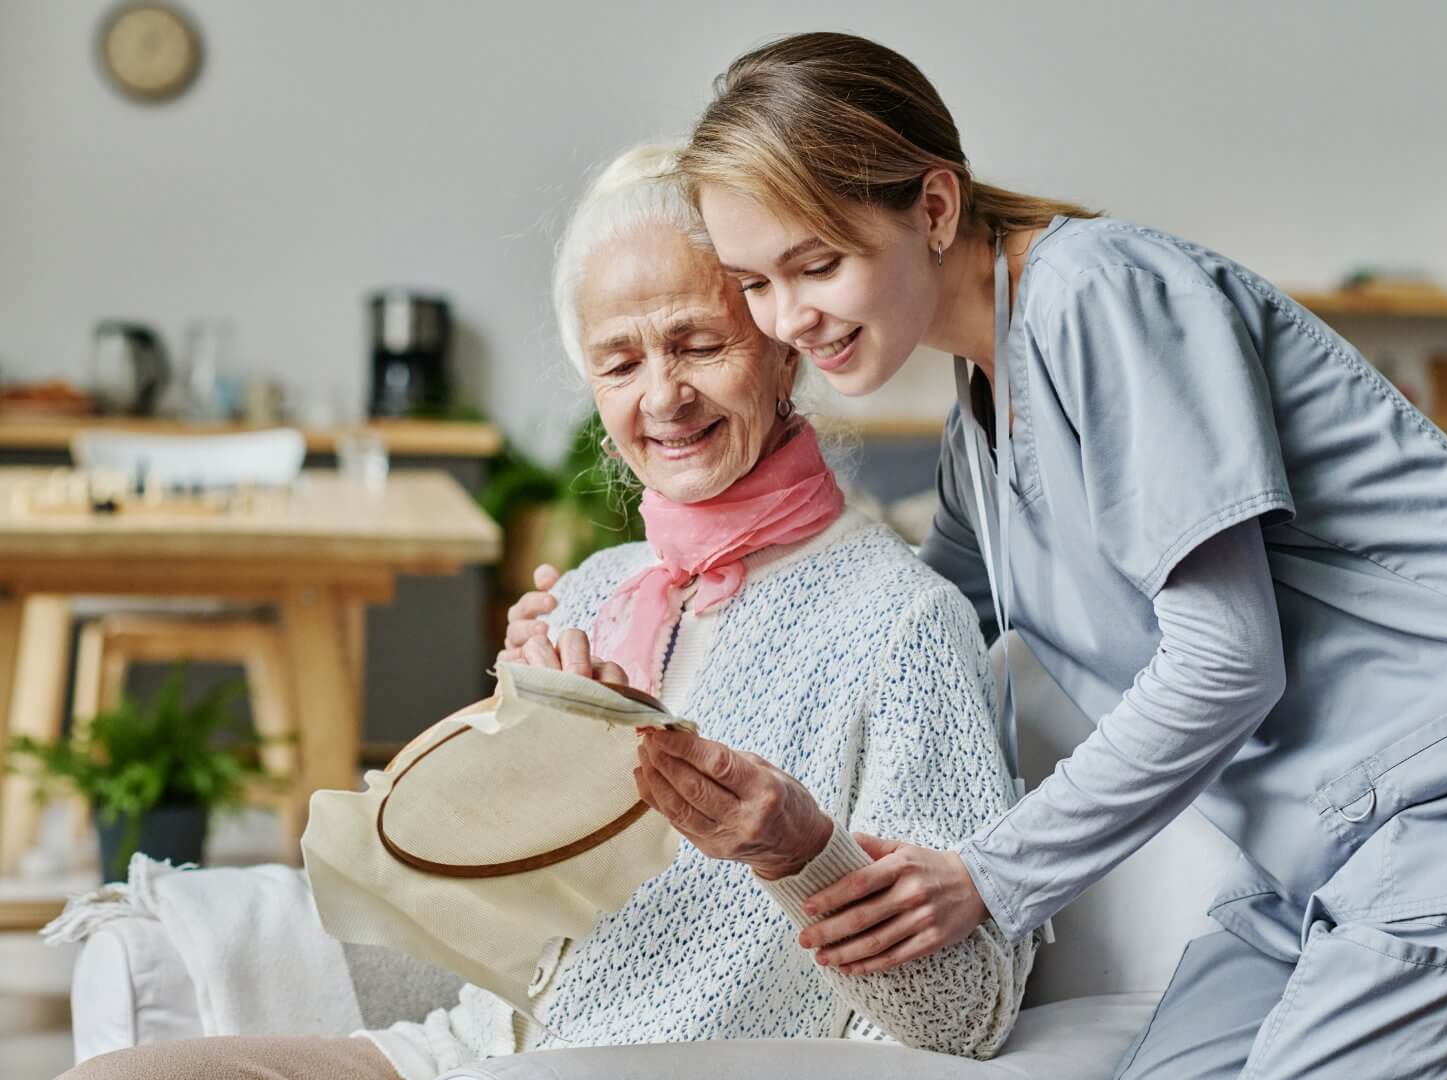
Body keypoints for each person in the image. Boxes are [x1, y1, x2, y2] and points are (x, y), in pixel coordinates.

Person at [515, 32, 1447, 1077]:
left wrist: (990, 877)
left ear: (934, 205)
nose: (788, 318)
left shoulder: (1103, 291)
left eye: (815, 264)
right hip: (1324, 855)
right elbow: (868, 617)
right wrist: (630, 668)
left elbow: (1229, 659)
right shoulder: (978, 435)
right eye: (755, 285)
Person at [64, 143, 1034, 1080]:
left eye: (699, 343)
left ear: (784, 352)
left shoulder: (903, 624)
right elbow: (476, 917)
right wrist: (514, 740)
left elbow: (969, 1013)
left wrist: (801, 850)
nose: (664, 395)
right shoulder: (596, 588)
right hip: (460, 1053)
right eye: (620, 363)